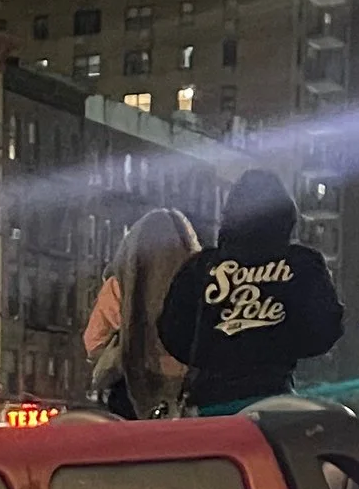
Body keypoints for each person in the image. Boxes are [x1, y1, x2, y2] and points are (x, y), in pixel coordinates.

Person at [156, 169, 345, 414]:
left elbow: (172, 331)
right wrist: (278, 344)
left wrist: (214, 352)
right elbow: (326, 328)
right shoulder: (303, 264)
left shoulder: (201, 267)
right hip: (275, 401)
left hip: (210, 407)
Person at [80, 206, 200, 418]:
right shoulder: (196, 280)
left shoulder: (120, 285)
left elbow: (94, 341)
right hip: (188, 394)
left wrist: (122, 346)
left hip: (130, 392)